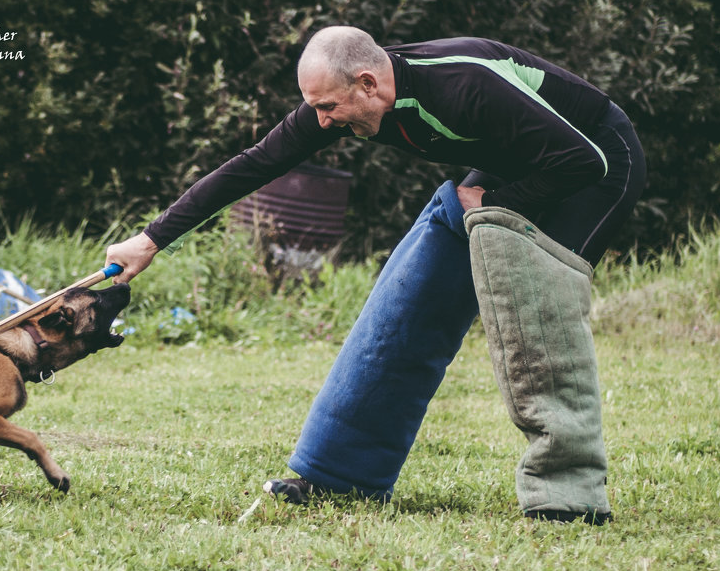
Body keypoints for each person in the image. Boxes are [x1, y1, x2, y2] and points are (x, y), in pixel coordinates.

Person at [106, 26, 646, 524]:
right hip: (524, 160)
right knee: (420, 285)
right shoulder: (349, 97)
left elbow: (583, 159)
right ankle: (342, 478)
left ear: (367, 83)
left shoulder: (463, 86)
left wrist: (499, 201)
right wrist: (151, 239)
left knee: (535, 299)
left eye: (328, 107)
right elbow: (254, 163)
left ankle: (569, 497)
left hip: (597, 159)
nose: (322, 121)